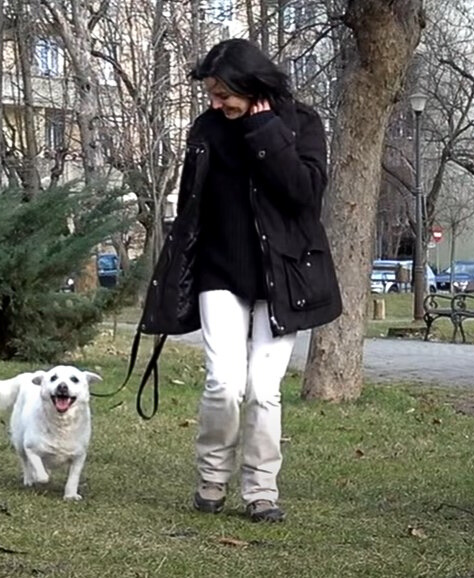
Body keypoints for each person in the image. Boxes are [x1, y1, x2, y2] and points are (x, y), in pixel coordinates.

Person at [136, 38, 342, 523]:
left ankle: (261, 491)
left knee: (263, 390)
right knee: (224, 384)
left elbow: (305, 194)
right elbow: (192, 204)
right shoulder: (206, 129)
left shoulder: (300, 123)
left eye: (223, 94)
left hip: (284, 278)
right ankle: (211, 478)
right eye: (211, 94)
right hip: (218, 273)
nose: (215, 103)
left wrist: (264, 129)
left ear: (251, 87)